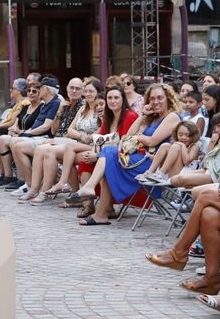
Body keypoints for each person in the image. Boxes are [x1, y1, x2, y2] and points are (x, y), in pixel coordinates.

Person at [65, 83, 181, 226]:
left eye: (160, 98)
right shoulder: (152, 117)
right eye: (152, 99)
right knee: (109, 157)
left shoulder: (172, 117)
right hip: (142, 160)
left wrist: (138, 138)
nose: (155, 102)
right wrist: (143, 115)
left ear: (168, 98)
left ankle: (93, 196)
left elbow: (152, 141)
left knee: (108, 154)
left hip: (155, 166)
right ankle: (99, 210)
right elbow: (128, 135)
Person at [135, 120, 202, 185]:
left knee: (176, 146)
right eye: (180, 135)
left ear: (193, 135)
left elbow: (186, 161)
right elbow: (169, 158)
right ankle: (150, 172)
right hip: (168, 173)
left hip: (182, 175)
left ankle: (161, 173)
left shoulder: (195, 145)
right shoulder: (177, 144)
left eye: (187, 135)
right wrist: (154, 157)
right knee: (165, 145)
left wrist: (182, 146)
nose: (183, 137)